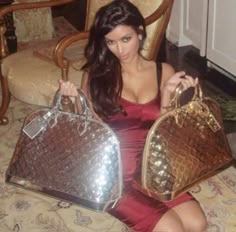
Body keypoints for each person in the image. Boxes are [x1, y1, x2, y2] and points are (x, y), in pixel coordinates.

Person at [59, 0, 207, 231]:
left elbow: (165, 134)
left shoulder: (163, 71)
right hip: (114, 173)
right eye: (111, 42)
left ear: (139, 32)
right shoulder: (96, 76)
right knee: (172, 229)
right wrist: (77, 104)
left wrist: (168, 95)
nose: (119, 50)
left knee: (196, 223)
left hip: (153, 167)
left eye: (125, 39)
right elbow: (92, 133)